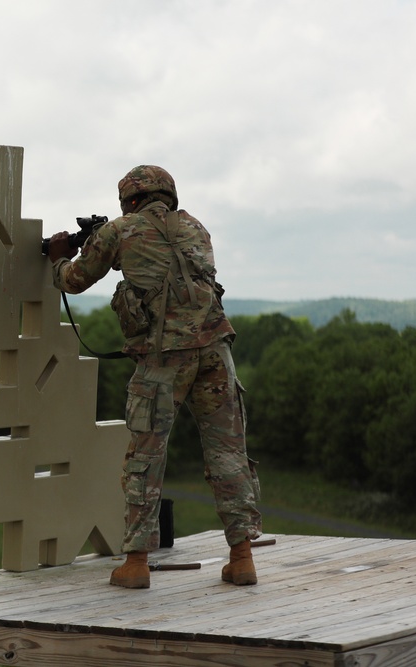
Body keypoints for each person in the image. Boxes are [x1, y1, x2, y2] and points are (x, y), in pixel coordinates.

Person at [46, 165, 262, 589]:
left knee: (146, 457)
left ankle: (137, 563)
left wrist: (59, 257)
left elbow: (74, 281)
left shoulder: (121, 231)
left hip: (165, 359)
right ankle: (242, 558)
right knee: (228, 455)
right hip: (216, 352)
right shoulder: (196, 228)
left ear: (129, 200)